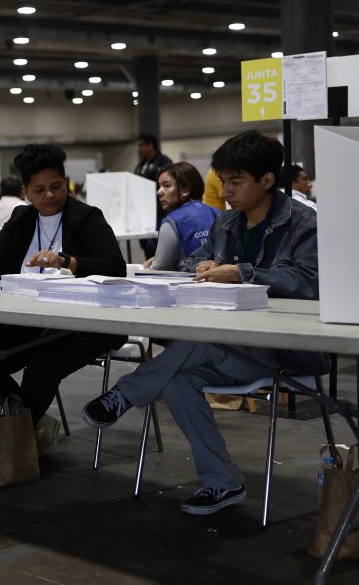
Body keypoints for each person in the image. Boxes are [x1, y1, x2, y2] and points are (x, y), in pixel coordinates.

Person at [82, 131, 324, 517]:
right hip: (231, 345)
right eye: (223, 181)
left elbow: (311, 283)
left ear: (266, 180)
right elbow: (194, 261)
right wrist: (203, 265)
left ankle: (127, 392)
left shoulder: (303, 222)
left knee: (205, 337)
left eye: (236, 181)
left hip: (283, 347)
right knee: (178, 381)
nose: (226, 191)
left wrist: (241, 273)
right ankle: (223, 481)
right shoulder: (226, 222)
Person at [0, 143, 126, 453]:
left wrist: (67, 261)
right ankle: (27, 425)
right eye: (40, 190)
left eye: (57, 186)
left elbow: (115, 267)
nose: (50, 195)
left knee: (43, 363)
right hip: (27, 320)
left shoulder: (86, 217)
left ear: (66, 183)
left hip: (82, 324)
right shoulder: (21, 219)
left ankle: (16, 442)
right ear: (26, 192)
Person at [144, 162, 219, 271]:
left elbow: (159, 269)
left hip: (188, 281)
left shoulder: (172, 222)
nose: (159, 192)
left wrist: (143, 268)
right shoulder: (218, 213)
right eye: (159, 186)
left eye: (167, 186)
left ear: (185, 190)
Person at [134, 133, 173, 260]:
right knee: (146, 245)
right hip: (143, 213)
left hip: (160, 212)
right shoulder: (140, 166)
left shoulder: (164, 162)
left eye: (141, 145)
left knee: (157, 244)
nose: (139, 149)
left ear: (150, 145)